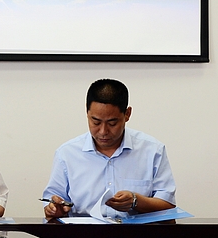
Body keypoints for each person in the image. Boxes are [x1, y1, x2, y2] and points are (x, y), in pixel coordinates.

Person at [42, 79, 176, 220]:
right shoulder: (67, 153)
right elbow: (53, 203)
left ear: (127, 114)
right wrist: (55, 209)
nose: (103, 131)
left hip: (137, 232)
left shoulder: (152, 150)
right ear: (87, 112)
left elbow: (168, 205)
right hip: (83, 232)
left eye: (112, 123)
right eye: (96, 122)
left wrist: (136, 201)